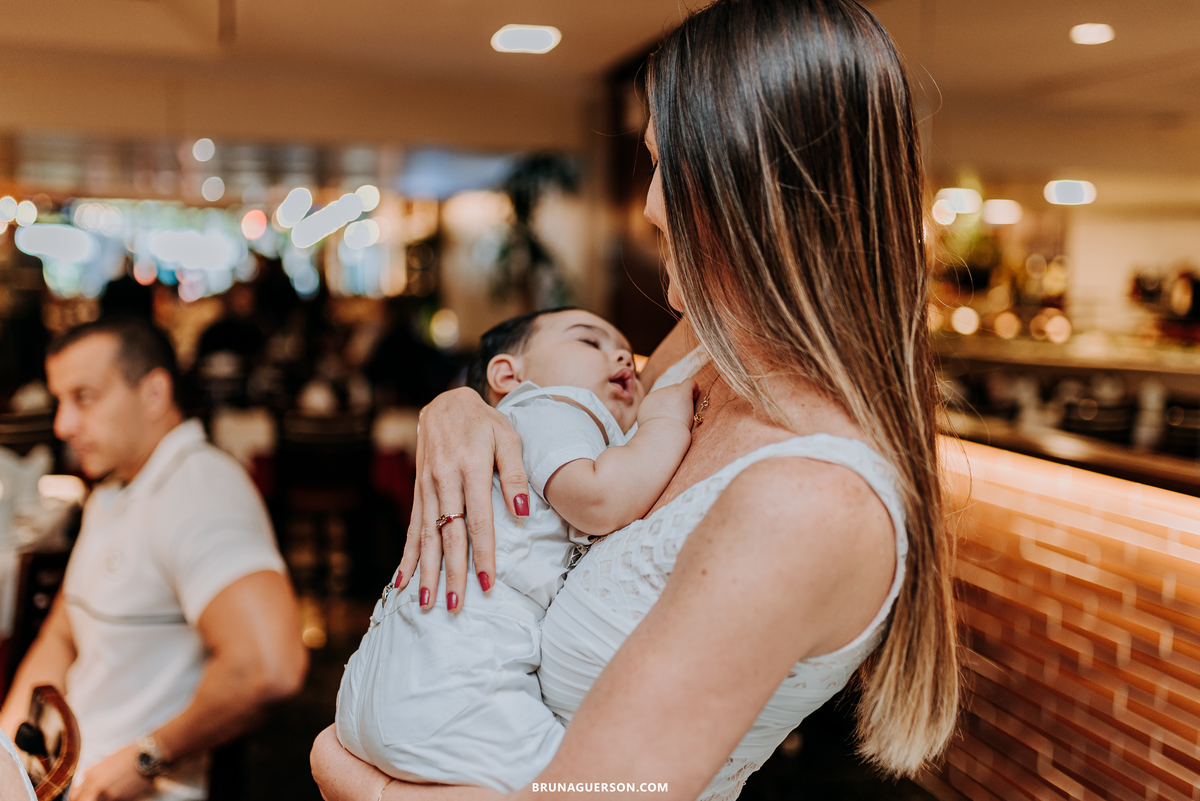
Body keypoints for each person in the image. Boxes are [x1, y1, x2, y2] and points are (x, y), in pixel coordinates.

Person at [312, 1, 959, 800]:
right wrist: (463, 409)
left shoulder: (810, 501)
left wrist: (354, 780)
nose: (650, 205)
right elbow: (565, 413)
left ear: (757, 180)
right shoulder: (701, 360)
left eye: (667, 164)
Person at [335, 307, 696, 791]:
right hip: (460, 681)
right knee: (597, 786)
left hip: (380, 682)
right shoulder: (549, 406)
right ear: (508, 375)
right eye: (590, 341)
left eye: (625, 350)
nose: (622, 356)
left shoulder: (525, 427)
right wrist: (665, 423)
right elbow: (600, 497)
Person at [0, 317, 309, 801]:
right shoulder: (116, 488)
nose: (62, 425)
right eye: (60, 401)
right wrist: (9, 758)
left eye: (83, 397)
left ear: (154, 392)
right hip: (64, 779)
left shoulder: (200, 490)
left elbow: (269, 666)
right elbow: (62, 630)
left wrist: (148, 757)